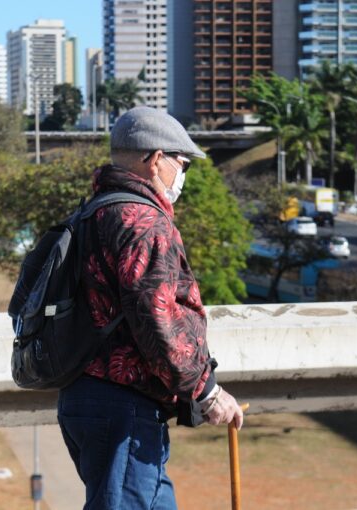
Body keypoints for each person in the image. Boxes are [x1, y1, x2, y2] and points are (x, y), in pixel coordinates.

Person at [57, 106, 244, 509]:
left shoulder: (94, 213)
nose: (184, 174)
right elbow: (157, 320)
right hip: (122, 409)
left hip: (88, 399)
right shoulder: (144, 222)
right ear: (156, 159)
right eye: (182, 162)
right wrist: (207, 392)